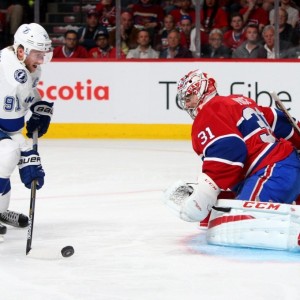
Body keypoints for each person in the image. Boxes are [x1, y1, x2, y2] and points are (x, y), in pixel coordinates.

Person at [163, 68, 300, 232]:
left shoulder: (207, 113)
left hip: (271, 173)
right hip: (287, 167)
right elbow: (278, 119)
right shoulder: (239, 100)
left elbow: (230, 150)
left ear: (202, 92)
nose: (187, 104)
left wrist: (206, 193)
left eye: (189, 97)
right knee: (226, 214)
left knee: (242, 224)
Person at [0, 23, 54, 235]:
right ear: (21, 50)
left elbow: (25, 96)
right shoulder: (10, 70)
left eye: (44, 54)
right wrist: (26, 154)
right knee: (7, 154)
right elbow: (11, 127)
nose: (41, 60)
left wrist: (39, 107)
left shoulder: (24, 65)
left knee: (9, 156)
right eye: (38, 54)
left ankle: (0, 210)